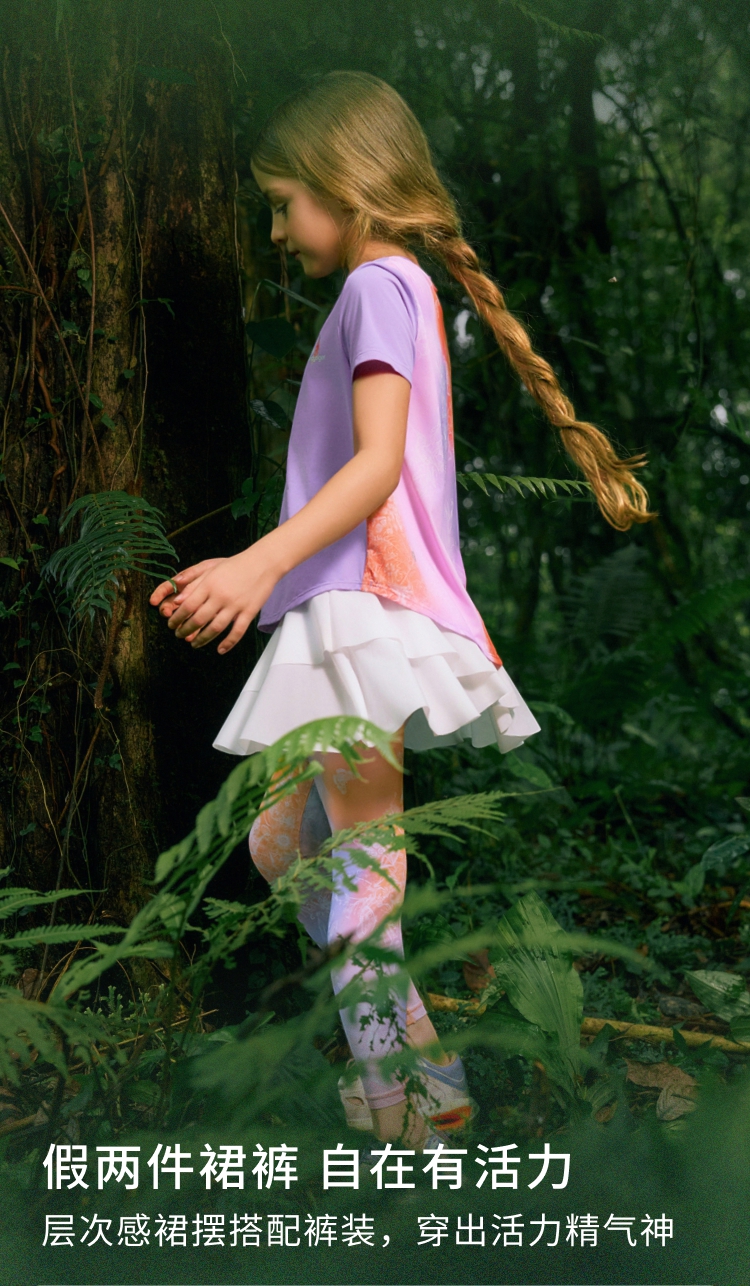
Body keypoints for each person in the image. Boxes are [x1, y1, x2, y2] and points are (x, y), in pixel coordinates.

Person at [150, 71, 652, 1151]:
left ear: (346, 184)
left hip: (365, 610)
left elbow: (377, 465)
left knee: (359, 871)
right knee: (284, 844)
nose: (275, 230)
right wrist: (259, 576)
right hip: (344, 603)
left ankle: (402, 1116)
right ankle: (430, 1076)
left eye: (284, 203)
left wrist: (255, 565)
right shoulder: (390, 289)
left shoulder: (381, 285)